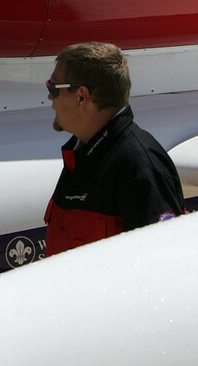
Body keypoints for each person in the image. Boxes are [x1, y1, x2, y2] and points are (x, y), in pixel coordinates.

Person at [44, 41, 186, 256]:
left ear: (82, 96)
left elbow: (162, 261)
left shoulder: (139, 167)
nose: (49, 97)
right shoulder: (82, 156)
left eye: (53, 88)